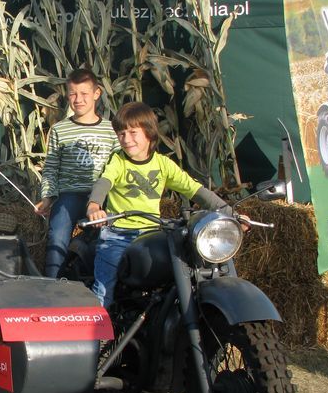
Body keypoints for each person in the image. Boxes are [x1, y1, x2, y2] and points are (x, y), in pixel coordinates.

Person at [85, 101, 232, 307]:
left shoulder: (163, 164)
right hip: (118, 235)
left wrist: (228, 212)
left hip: (151, 235)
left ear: (149, 133)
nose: (126, 140)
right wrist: (94, 205)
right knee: (103, 290)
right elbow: (104, 182)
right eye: (121, 134)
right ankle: (100, 335)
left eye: (133, 132)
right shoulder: (118, 161)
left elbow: (193, 189)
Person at [34, 68, 119, 278]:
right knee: (57, 238)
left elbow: (119, 166)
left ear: (96, 94)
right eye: (72, 94)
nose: (78, 99)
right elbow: (51, 168)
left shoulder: (111, 130)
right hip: (70, 194)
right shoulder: (60, 130)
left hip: (102, 197)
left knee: (109, 239)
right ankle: (53, 286)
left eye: (84, 94)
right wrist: (47, 196)